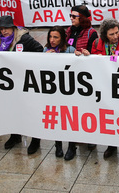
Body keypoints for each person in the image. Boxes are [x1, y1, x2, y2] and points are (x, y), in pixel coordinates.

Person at [0, 15, 44, 154]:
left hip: (25, 81)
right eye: (1, 29)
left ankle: (36, 140)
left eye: (7, 28)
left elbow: (39, 50)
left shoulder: (24, 39)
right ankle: (15, 136)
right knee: (13, 110)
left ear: (13, 28)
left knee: (31, 111)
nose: (4, 32)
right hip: (10, 85)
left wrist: (26, 63)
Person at [84, 19, 119, 161]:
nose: (115, 36)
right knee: (109, 115)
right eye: (111, 34)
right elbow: (92, 63)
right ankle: (111, 145)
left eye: (117, 32)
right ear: (105, 34)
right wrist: (93, 57)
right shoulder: (97, 43)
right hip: (105, 84)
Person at [43, 26, 75, 160]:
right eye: (50, 37)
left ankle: (72, 146)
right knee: (56, 119)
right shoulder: (45, 50)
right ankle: (58, 145)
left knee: (70, 119)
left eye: (55, 37)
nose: (52, 40)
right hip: (53, 91)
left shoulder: (70, 50)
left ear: (62, 38)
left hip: (68, 91)